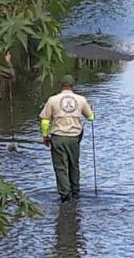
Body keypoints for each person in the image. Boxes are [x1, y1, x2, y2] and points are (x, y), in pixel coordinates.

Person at [39, 74, 95, 202]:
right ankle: (75, 193)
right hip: (74, 138)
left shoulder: (52, 100)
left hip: (58, 137)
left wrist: (45, 136)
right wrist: (91, 111)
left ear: (60, 86)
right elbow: (91, 117)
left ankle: (65, 195)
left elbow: (45, 120)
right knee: (74, 165)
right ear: (73, 86)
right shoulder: (81, 99)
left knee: (60, 167)